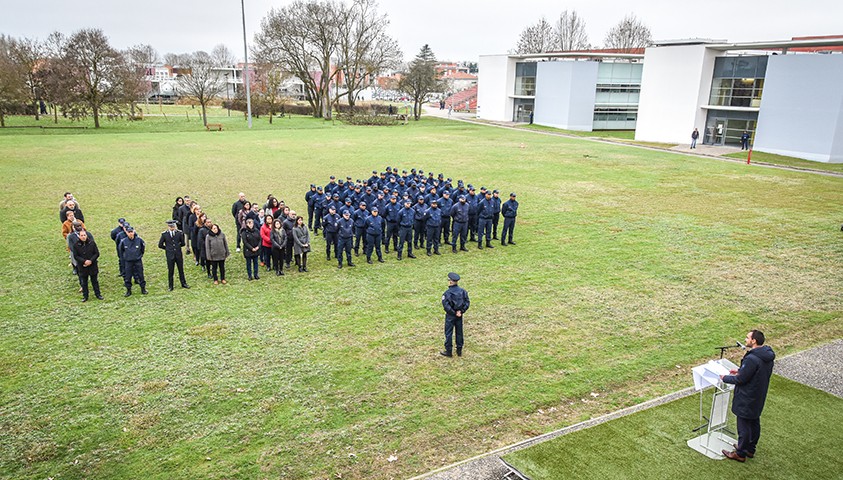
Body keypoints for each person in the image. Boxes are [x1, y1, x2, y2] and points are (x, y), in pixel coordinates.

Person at [720, 330, 776, 462]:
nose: (745, 340)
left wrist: (725, 378)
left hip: (747, 396)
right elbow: (756, 372)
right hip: (758, 395)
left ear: (754, 341)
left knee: (744, 425)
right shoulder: (766, 355)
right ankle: (750, 449)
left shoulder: (752, 358)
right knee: (754, 421)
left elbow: (741, 380)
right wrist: (741, 371)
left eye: (747, 338)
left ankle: (740, 453)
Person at [440, 272, 470, 357]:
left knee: (448, 333)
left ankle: (448, 351)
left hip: (450, 316)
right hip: (459, 315)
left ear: (450, 281)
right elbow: (467, 302)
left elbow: (446, 306)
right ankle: (459, 350)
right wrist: (461, 311)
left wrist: (454, 313)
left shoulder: (447, 293)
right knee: (459, 332)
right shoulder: (463, 291)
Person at [158, 219, 190, 291]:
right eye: (170, 227)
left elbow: (183, 243)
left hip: (178, 254)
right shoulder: (164, 234)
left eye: (173, 226)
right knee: (170, 270)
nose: (172, 228)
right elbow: (160, 245)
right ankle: (170, 286)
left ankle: (183, 283)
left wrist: (177, 247)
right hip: (170, 255)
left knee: (181, 270)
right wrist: (167, 249)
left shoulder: (179, 233)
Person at [71, 230, 102, 302]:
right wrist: (84, 261)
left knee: (95, 281)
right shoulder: (76, 245)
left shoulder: (92, 243)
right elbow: (76, 256)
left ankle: (98, 294)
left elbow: (96, 253)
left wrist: (91, 261)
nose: (83, 237)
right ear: (79, 236)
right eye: (81, 235)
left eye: (84, 235)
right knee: (84, 282)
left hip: (92, 265)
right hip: (82, 266)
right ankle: (85, 296)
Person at [119, 226, 147, 296]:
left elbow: (142, 249)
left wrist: (139, 256)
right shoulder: (123, 241)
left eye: (131, 232)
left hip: (137, 261)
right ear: (126, 233)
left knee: (141, 275)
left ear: (134, 232)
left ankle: (143, 289)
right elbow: (121, 251)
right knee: (128, 276)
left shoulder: (139, 240)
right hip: (128, 262)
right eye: (129, 232)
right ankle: (128, 290)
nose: (130, 234)